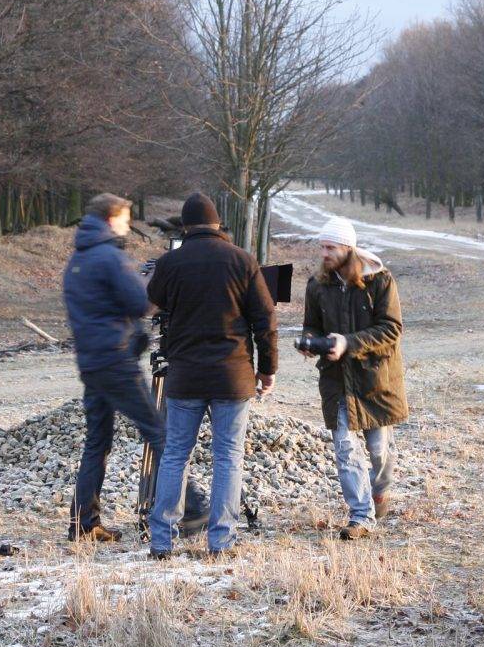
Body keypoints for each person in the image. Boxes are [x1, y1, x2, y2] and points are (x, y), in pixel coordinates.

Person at [61, 193, 206, 543]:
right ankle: (193, 507)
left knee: (98, 440)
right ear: (112, 219)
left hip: (92, 361)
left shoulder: (77, 259)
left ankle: (84, 522)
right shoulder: (109, 256)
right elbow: (139, 301)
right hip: (115, 360)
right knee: (158, 431)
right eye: (125, 219)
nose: (128, 226)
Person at [144, 192, 277, 559]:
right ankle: (221, 542)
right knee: (228, 457)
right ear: (218, 225)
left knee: (174, 456)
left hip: (185, 375)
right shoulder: (243, 260)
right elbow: (266, 323)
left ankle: (161, 542)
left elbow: (149, 305)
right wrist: (267, 370)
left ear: (185, 227)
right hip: (232, 376)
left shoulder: (171, 263)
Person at [301, 216, 407, 539]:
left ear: (348, 248)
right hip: (336, 381)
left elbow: (391, 329)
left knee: (378, 450)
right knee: (345, 449)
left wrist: (349, 343)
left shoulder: (380, 281)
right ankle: (361, 516)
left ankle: (380, 491)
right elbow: (312, 324)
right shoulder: (317, 285)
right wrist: (310, 342)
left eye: (330, 247)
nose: (324, 253)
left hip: (375, 380)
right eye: (322, 247)